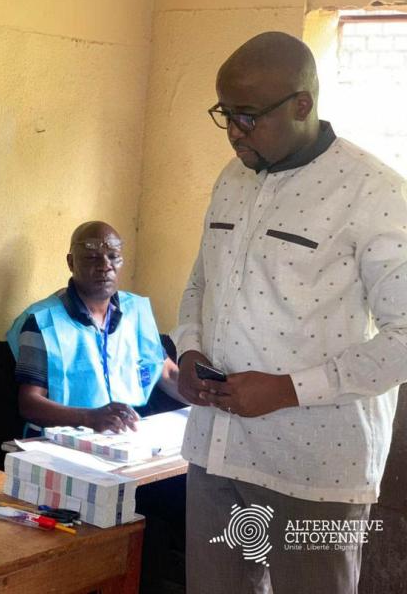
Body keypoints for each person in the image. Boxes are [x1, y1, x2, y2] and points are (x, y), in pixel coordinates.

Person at [174, 31, 407, 593]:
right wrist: (187, 350)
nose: (233, 131)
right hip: (216, 453)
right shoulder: (231, 180)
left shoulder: (375, 193)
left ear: (303, 104)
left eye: (248, 116)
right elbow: (200, 282)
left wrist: (288, 389)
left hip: (314, 469)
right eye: (224, 114)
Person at [7, 221, 181, 436]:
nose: (105, 265)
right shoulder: (43, 322)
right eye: (91, 257)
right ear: (71, 262)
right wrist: (89, 418)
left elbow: (168, 373)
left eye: (113, 256)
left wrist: (210, 400)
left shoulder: (135, 312)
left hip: (120, 436)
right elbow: (30, 404)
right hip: (57, 441)